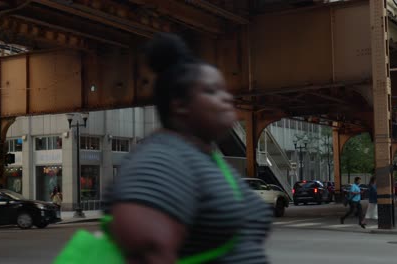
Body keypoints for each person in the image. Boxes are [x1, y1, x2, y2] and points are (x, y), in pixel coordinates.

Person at [105, 33, 273, 263]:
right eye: (212, 91)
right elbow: (146, 249)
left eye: (225, 90)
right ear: (180, 105)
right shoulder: (162, 161)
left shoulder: (203, 157)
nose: (227, 98)